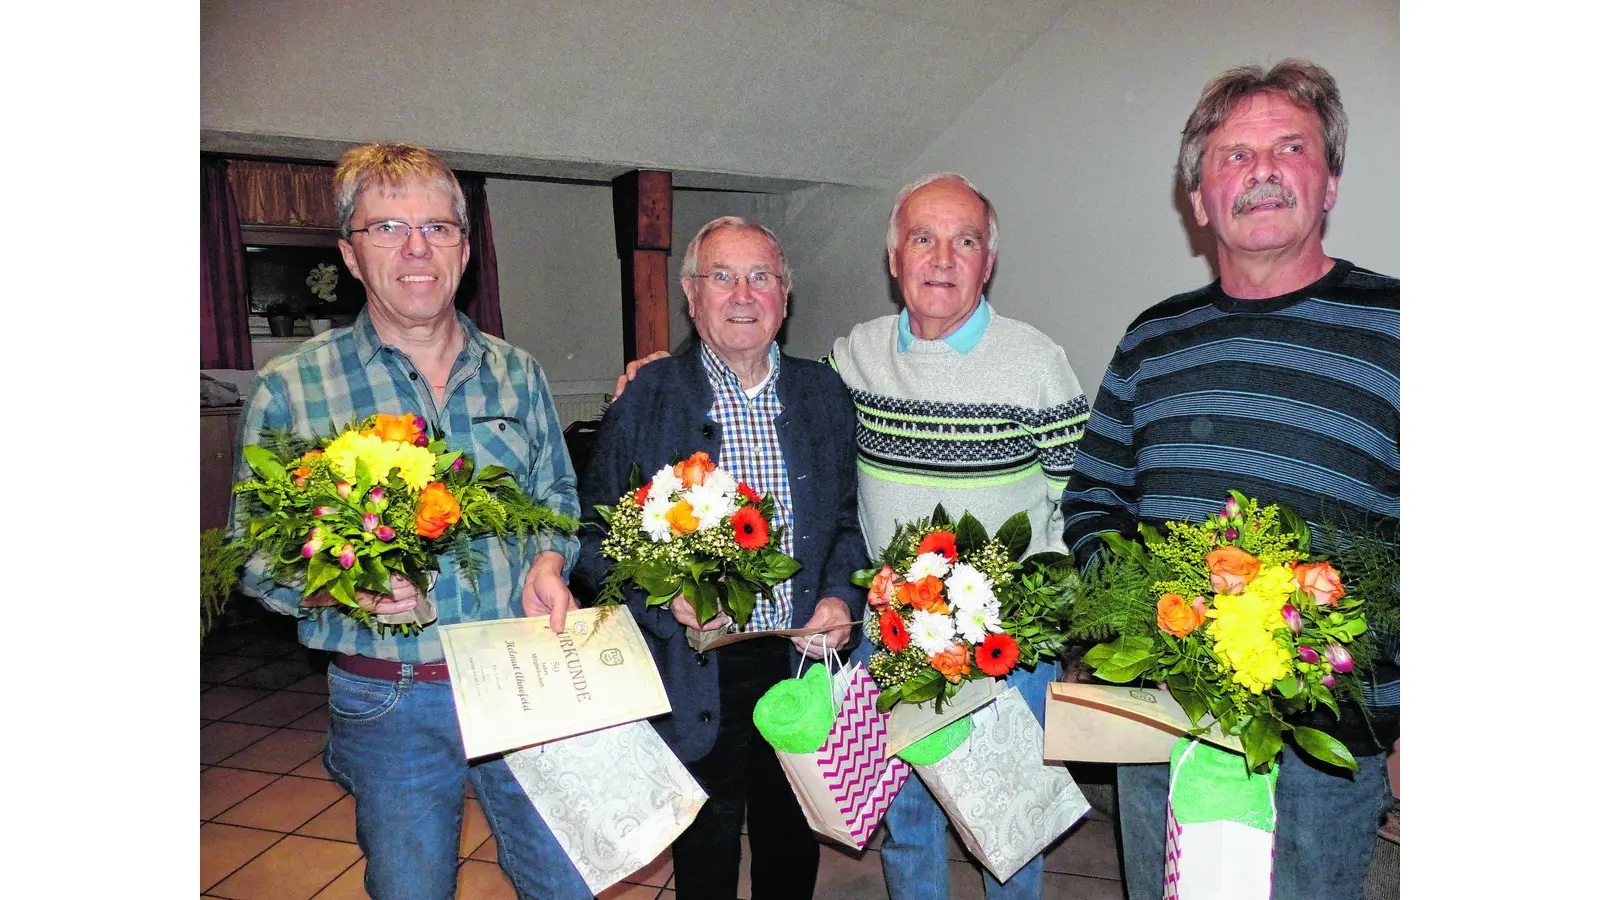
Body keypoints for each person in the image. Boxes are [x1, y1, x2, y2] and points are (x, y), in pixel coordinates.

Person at [612, 174, 1090, 900]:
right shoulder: (851, 362)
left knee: (1012, 834)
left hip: (1005, 647)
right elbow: (813, 455)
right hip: (890, 639)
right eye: (922, 238)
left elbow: (1076, 502)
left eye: (965, 241)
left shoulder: (1035, 361)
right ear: (894, 258)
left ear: (988, 261)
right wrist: (657, 371)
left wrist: (1034, 621)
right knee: (908, 824)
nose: (942, 258)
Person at [1059, 59, 1399, 900]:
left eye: (1290, 147)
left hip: (1332, 743)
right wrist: (1147, 609)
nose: (1262, 171)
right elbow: (1095, 496)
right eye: (1234, 157)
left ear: (1329, 183)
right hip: (1172, 718)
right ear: (1201, 199)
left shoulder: (1405, 327)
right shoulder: (1152, 338)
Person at [231, 143, 592, 900]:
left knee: (566, 881)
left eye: (438, 227)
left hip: (520, 680)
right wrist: (341, 589)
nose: (417, 248)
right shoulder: (293, 387)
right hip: (389, 696)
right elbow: (254, 554)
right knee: (411, 889)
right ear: (350, 254)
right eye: (389, 227)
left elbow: (557, 497)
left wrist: (548, 564)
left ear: (465, 247)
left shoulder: (516, 372)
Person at [573, 216, 868, 900]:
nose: (743, 294)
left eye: (761, 277)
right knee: (703, 852)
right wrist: (659, 595)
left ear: (785, 296)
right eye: (722, 276)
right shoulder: (647, 397)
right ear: (691, 294)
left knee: (792, 842)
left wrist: (838, 599)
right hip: (694, 663)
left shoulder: (823, 395)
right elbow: (591, 537)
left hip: (798, 658)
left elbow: (848, 522)